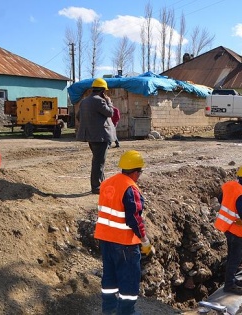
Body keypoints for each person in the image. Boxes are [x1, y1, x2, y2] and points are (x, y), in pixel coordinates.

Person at [94, 150, 155, 315]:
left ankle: (109, 310)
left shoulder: (107, 183)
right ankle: (126, 312)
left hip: (105, 239)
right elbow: (134, 219)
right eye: (140, 172)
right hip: (124, 243)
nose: (140, 175)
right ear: (135, 172)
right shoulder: (130, 188)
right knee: (129, 280)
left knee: (110, 277)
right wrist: (145, 240)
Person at [214, 165, 242, 295]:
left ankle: (232, 279)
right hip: (237, 231)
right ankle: (229, 285)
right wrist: (240, 219)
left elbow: (221, 199)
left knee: (232, 255)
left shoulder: (230, 186)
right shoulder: (241, 192)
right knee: (235, 258)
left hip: (228, 228)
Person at [76, 78, 116, 194]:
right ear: (103, 91)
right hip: (101, 136)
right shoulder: (100, 101)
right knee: (99, 162)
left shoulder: (84, 102)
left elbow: (79, 117)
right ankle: (96, 187)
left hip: (90, 136)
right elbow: (110, 113)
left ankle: (100, 184)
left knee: (97, 160)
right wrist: (109, 101)